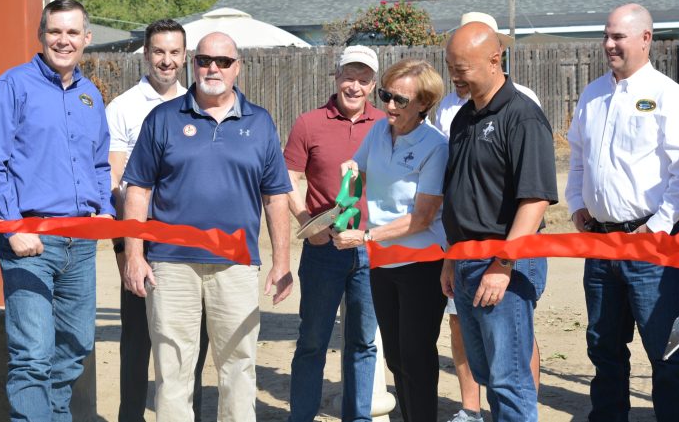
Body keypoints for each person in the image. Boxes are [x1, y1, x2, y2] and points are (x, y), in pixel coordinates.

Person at [121, 31, 293, 422]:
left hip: (236, 264)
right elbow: (138, 192)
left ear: (238, 68)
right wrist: (134, 254)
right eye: (204, 60)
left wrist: (281, 261)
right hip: (170, 264)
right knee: (173, 370)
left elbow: (276, 196)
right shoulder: (163, 118)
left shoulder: (261, 122)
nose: (212, 68)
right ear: (192, 64)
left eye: (223, 61)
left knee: (239, 366)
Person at [565, 3, 679, 422]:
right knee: (603, 346)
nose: (608, 44)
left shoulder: (668, 96)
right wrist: (576, 203)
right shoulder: (593, 94)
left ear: (646, 39)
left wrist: (659, 224)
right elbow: (578, 158)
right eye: (606, 35)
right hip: (601, 242)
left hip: (653, 246)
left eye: (618, 37)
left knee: (664, 349)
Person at [0, 0, 114, 421]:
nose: (63, 40)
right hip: (28, 241)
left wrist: (104, 207)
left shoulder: (91, 96)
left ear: (86, 39)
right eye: (55, 31)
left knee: (73, 350)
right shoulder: (12, 86)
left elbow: (99, 163)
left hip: (80, 245)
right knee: (33, 356)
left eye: (73, 32)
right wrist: (14, 228)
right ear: (42, 35)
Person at [441, 22, 558, 422]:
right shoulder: (463, 118)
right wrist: (450, 258)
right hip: (467, 263)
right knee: (490, 373)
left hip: (504, 265)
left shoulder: (522, 117)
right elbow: (461, 195)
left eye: (461, 68)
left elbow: (535, 199)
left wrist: (503, 264)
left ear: (495, 60)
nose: (454, 76)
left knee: (509, 378)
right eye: (450, 66)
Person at [105, 19, 209, 422]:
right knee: (137, 343)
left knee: (189, 345)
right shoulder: (124, 108)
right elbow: (115, 182)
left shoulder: (201, 102)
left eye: (175, 52)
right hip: (143, 242)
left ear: (185, 57)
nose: (167, 61)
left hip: (188, 243)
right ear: (146, 54)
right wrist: (125, 247)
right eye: (159, 52)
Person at [333, 58, 448, 422]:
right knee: (396, 357)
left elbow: (423, 216)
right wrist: (348, 184)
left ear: (424, 105)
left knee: (416, 355)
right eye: (386, 96)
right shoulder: (380, 132)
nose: (390, 106)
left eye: (400, 100)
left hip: (421, 264)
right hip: (383, 262)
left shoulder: (436, 146)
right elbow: (358, 173)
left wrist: (366, 234)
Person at [284, 46, 382, 421]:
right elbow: (289, 179)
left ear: (373, 84)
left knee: (362, 343)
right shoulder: (309, 123)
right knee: (312, 341)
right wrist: (310, 225)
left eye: (363, 79)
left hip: (370, 249)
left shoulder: (387, 124)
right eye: (348, 77)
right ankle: (302, 416)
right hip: (324, 250)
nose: (354, 86)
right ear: (336, 76)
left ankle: (358, 417)